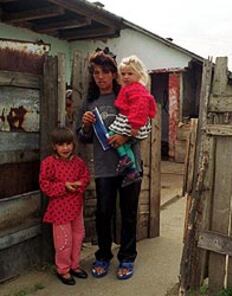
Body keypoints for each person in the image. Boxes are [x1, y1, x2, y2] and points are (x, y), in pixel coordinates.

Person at [76, 50, 142, 280]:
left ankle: (127, 257)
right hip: (104, 168)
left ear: (114, 74)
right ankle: (103, 255)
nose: (100, 76)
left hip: (129, 168)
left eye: (105, 72)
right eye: (96, 73)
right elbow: (82, 138)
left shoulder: (128, 95)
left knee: (129, 213)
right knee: (103, 213)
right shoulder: (89, 102)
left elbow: (142, 126)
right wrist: (85, 126)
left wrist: (125, 137)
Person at [39, 127, 90, 286]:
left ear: (73, 145)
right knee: (63, 241)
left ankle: (75, 265)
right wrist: (64, 186)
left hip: (76, 207)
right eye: (61, 145)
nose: (65, 148)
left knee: (78, 236)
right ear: (54, 146)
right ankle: (63, 269)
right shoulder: (48, 163)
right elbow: (44, 184)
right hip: (59, 209)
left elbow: (86, 178)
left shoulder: (78, 162)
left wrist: (79, 184)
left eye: (68, 144)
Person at [108, 55, 157, 187]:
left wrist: (134, 125)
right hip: (130, 118)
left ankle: (125, 159)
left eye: (130, 73)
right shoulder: (130, 88)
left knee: (111, 133)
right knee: (126, 144)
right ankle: (132, 170)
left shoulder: (136, 89)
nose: (126, 77)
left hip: (132, 120)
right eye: (123, 74)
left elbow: (140, 108)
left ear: (139, 74)